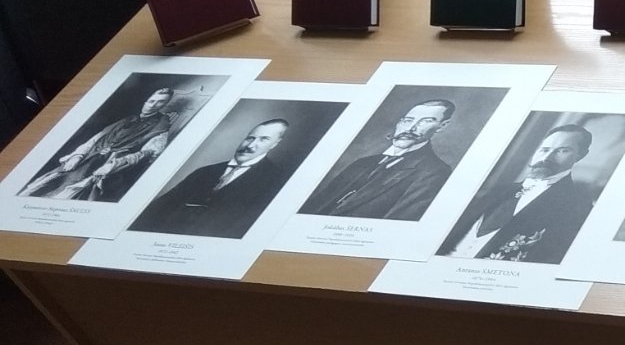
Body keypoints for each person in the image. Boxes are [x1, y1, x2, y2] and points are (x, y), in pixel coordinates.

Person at [441, 124, 597, 262]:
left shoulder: (576, 206)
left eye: (562, 151)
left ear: (580, 156)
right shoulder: (500, 191)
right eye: (544, 150)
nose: (546, 158)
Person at [131, 118, 292, 239]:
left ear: (275, 144)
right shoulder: (204, 172)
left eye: (264, 139)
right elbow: (160, 207)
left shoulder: (276, 181)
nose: (250, 146)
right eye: (250, 138)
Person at [300, 98, 455, 221]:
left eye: (426, 121)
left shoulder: (435, 172)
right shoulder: (362, 163)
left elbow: (394, 226)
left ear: (442, 126)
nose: (410, 128)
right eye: (408, 120)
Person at [21, 85, 183, 202]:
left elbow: (148, 152)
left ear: (165, 105)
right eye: (151, 100)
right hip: (87, 158)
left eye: (160, 102)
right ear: (145, 101)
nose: (153, 105)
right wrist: (78, 155)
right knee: (46, 185)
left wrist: (113, 165)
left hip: (112, 166)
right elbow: (95, 139)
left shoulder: (161, 125)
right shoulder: (127, 119)